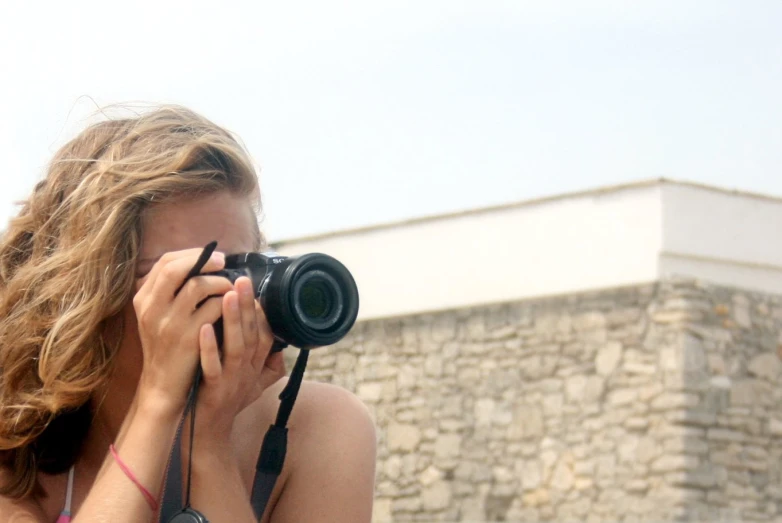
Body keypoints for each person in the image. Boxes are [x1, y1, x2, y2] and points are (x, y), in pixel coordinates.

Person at [0, 105, 377, 522]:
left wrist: (210, 445)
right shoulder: (14, 446)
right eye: (187, 278)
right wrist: (157, 406)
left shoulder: (320, 428)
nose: (224, 298)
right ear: (85, 298)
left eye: (238, 269)